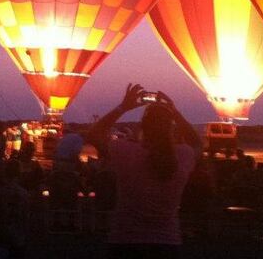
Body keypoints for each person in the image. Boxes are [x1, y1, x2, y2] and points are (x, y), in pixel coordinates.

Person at [86, 84, 201, 258]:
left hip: (125, 242)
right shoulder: (183, 155)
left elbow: (94, 134)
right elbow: (197, 143)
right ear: (171, 127)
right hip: (167, 244)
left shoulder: (125, 151)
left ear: (142, 126)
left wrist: (123, 107)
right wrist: (175, 112)